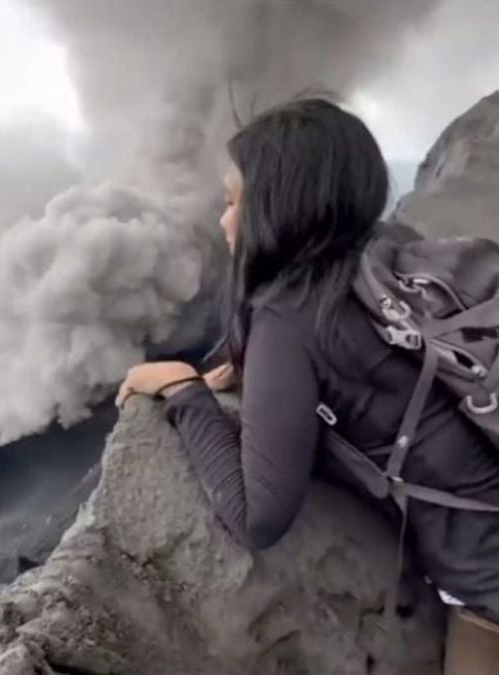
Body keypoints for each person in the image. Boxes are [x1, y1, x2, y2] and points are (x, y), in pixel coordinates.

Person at [117, 98, 499, 673]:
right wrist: (261, 377)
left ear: (279, 207)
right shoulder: (386, 251)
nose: (223, 222)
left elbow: (257, 519)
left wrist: (184, 392)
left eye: (231, 203)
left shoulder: (289, 320)